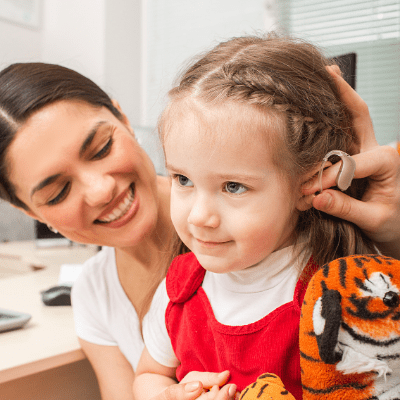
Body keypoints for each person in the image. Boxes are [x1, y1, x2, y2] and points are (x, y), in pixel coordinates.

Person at [0, 56, 398, 400]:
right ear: (32, 213)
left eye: (102, 148)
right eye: (57, 192)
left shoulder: (327, 263)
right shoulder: (107, 292)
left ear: (122, 118)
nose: (101, 189)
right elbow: (145, 381)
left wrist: (392, 234)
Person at [132, 34, 400, 400]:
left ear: (309, 184)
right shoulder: (179, 290)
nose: (199, 216)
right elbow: (149, 374)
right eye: (183, 179)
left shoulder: (341, 296)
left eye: (233, 187)